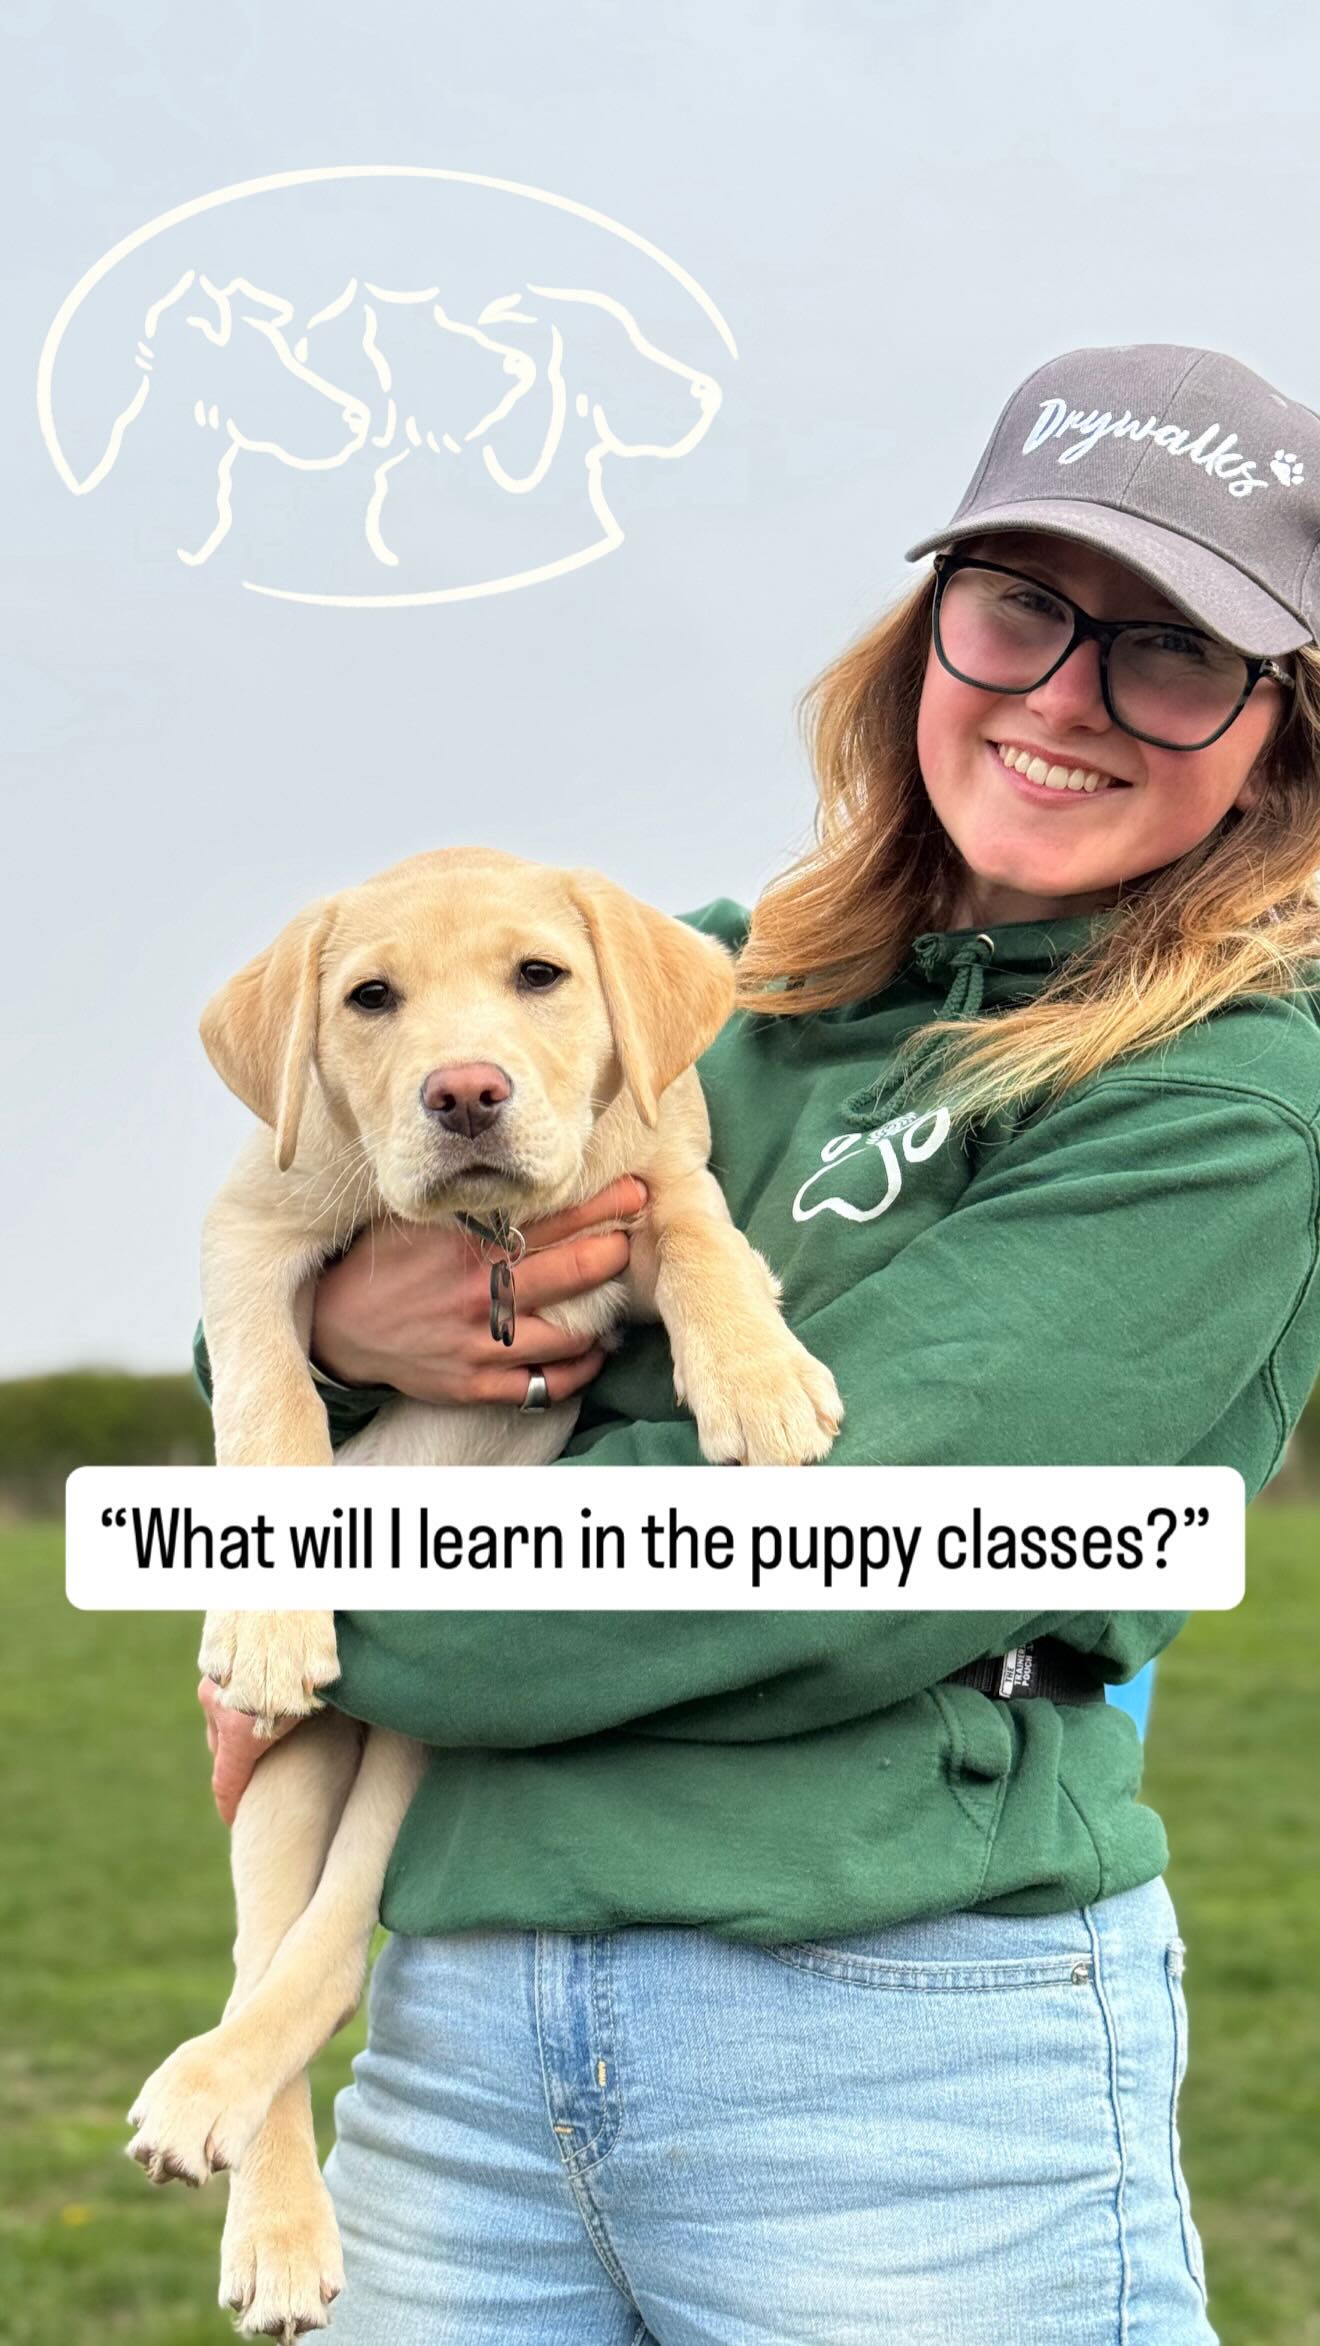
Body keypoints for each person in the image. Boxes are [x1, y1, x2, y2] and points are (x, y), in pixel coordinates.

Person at [195, 343, 1320, 2344]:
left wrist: (287, 1610)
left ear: (1280, 740)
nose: (1067, 695)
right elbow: (286, 1306)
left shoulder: (1227, 1100)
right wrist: (356, 1338)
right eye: (1019, 609)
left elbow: (828, 1555)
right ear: (926, 639)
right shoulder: (718, 981)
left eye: (1173, 655)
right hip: (453, 2044)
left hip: (891, 2058)